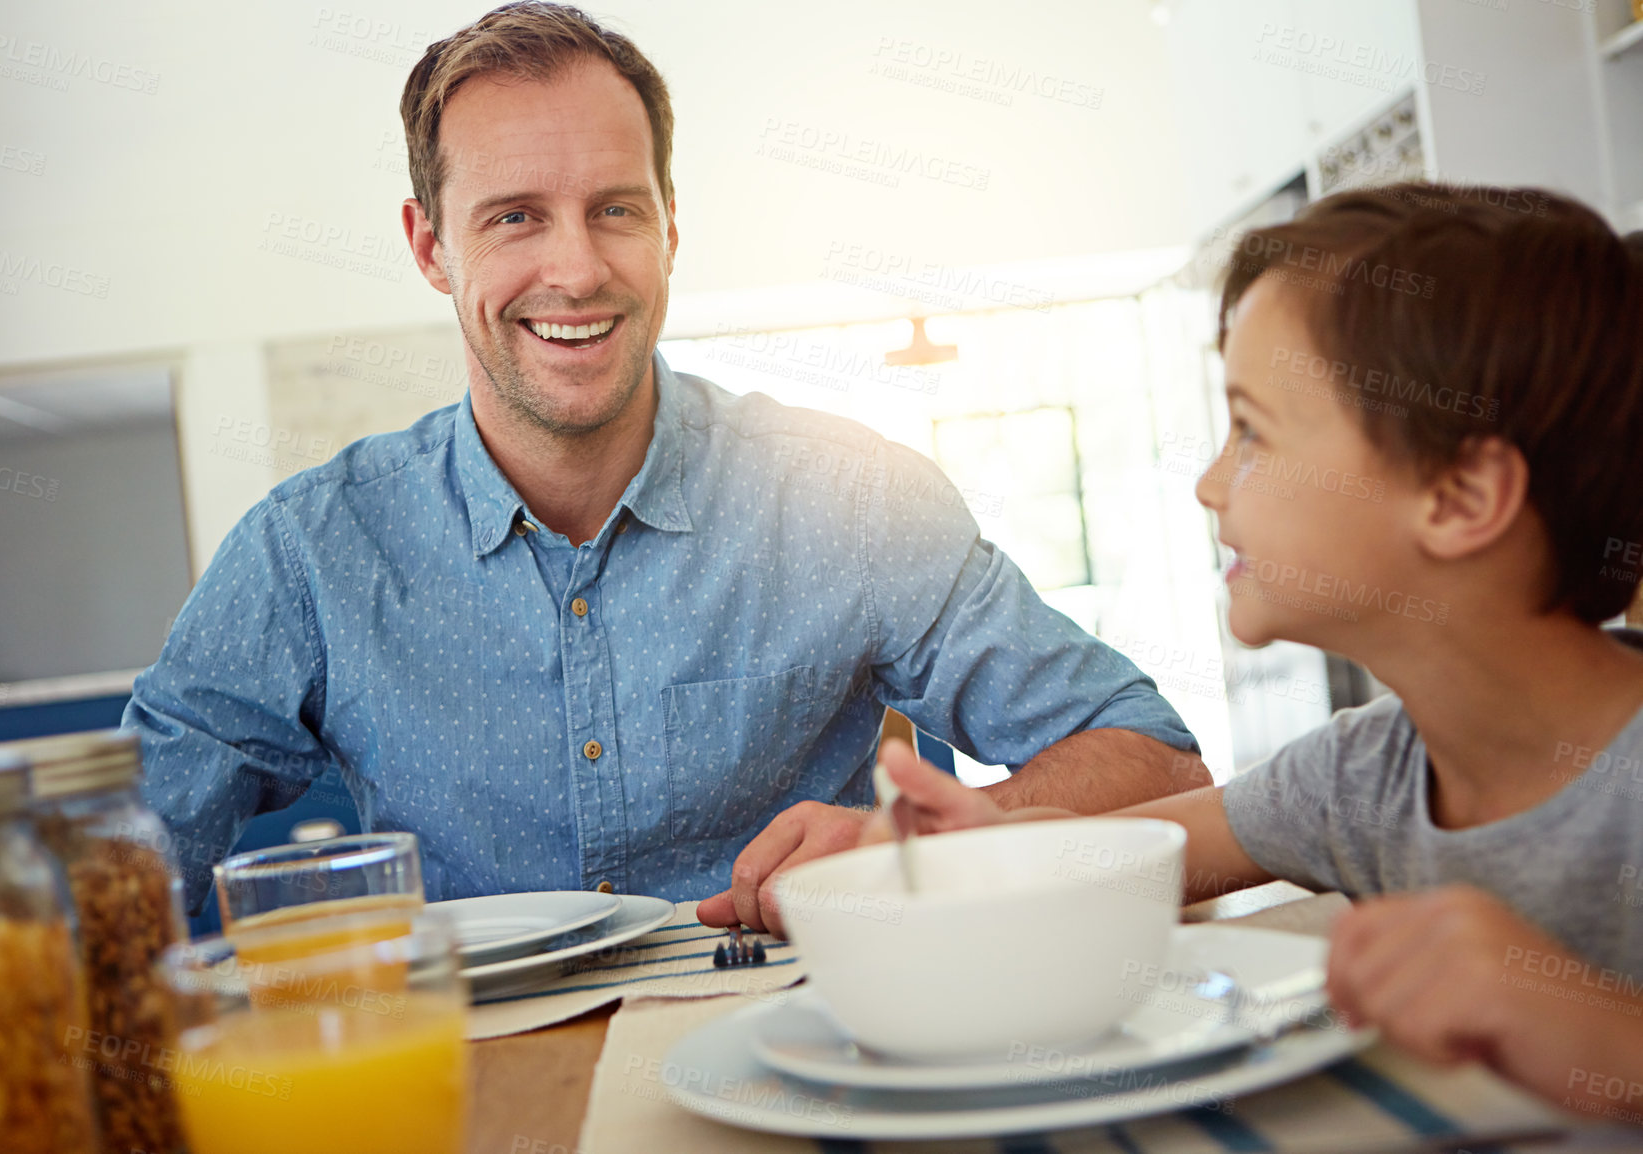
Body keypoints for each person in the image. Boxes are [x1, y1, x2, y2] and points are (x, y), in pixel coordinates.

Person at [124, 1, 1209, 929]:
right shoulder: (309, 553)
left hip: (803, 1071)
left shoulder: (850, 499)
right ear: (429, 246)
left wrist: (923, 848)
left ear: (672, 227)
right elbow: (117, 878)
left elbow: (1155, 760)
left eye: (615, 210)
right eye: (513, 218)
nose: (577, 268)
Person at [859, 183, 1643, 1121]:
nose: (1209, 482)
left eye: (1255, 432)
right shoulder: (1365, 776)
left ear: (1460, 498)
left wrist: (1606, 1037)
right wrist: (986, 845)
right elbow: (1132, 856)